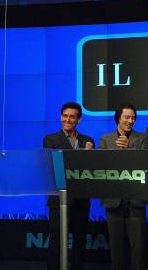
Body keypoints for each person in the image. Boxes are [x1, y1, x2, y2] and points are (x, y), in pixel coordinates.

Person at [99, 103, 148, 270]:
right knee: (116, 250)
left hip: (136, 201)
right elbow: (102, 168)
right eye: (127, 117)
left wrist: (129, 148)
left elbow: (146, 165)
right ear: (118, 119)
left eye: (133, 117)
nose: (131, 120)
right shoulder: (105, 140)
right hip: (113, 201)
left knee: (139, 249)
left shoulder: (143, 138)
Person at [43, 102, 95, 270]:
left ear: (79, 119)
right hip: (59, 201)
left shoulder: (88, 141)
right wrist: (80, 156)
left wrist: (88, 156)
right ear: (60, 117)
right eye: (65, 116)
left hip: (81, 200)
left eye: (72, 116)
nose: (67, 119)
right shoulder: (50, 139)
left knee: (79, 244)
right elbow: (50, 167)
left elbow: (91, 171)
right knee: (56, 244)